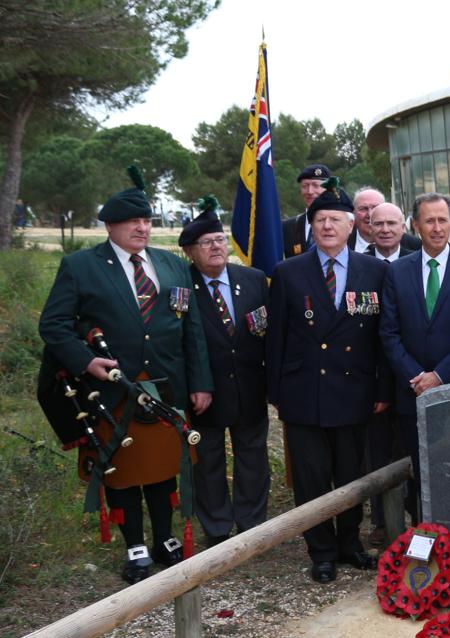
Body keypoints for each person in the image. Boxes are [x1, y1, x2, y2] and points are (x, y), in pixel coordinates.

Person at [38, 166, 213, 583]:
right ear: (110, 226)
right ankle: (134, 544)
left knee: (162, 467)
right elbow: (54, 325)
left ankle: (165, 539)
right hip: (113, 390)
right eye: (132, 221)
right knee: (122, 468)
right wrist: (85, 362)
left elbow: (191, 329)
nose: (142, 228)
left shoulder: (172, 265)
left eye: (147, 220)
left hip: (166, 386)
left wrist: (201, 382)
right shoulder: (81, 266)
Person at [267, 177, 392, 583]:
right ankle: (320, 549)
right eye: (319, 220)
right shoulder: (288, 272)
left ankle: (349, 542)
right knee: (312, 476)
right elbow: (276, 339)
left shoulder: (374, 271)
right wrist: (277, 393)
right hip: (305, 393)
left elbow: (383, 338)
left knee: (350, 473)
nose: (327, 227)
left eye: (335, 219)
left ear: (352, 224)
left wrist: (383, 388)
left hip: (355, 391)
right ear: (311, 225)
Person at [381, 192, 450, 521]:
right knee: (422, 469)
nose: (437, 227)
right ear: (415, 225)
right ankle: (427, 536)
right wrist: (418, 378)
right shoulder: (397, 271)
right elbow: (389, 332)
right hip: (413, 392)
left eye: (443, 220)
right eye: (429, 220)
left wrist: (440, 376)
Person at [179, 196, 271, 547]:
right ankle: (217, 528)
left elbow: (266, 333)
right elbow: (181, 343)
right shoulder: (182, 287)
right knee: (208, 460)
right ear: (190, 251)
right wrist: (194, 385)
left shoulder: (253, 279)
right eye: (207, 243)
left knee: (253, 457)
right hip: (206, 392)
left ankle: (251, 522)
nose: (216, 247)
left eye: (220, 240)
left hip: (249, 385)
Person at [361, 202, 415, 543]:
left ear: (403, 226)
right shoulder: (361, 264)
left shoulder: (418, 256)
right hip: (374, 371)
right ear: (367, 226)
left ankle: (419, 514)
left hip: (413, 369)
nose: (384, 229)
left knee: (414, 446)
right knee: (378, 450)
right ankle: (382, 521)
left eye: (391, 223)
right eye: (377, 223)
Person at [281, 164, 330, 258]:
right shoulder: (287, 227)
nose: (310, 191)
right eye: (305, 186)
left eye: (316, 185)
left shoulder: (344, 224)